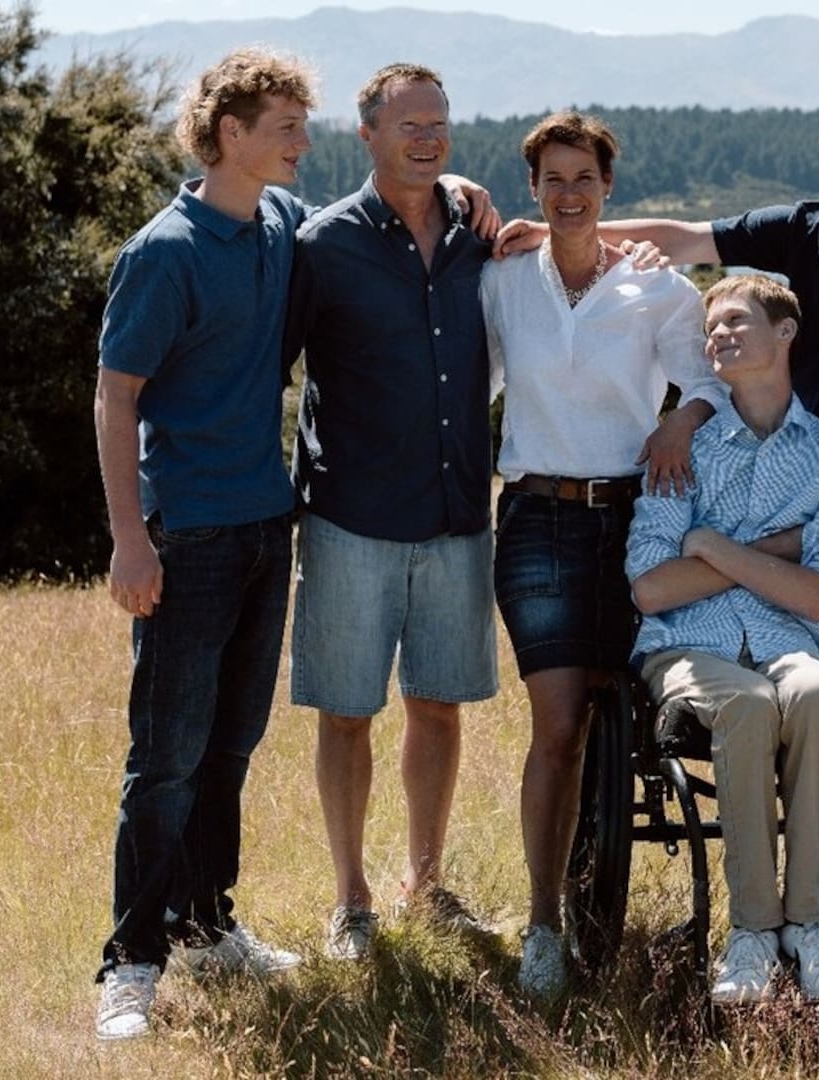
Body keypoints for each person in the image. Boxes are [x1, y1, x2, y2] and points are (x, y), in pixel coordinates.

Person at [510, 53, 819, 935]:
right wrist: (570, 227)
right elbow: (688, 238)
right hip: (799, 490)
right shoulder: (803, 227)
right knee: (815, 668)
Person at [91, 47, 317, 1042]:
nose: (302, 143)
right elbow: (115, 397)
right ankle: (131, 964)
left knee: (231, 746)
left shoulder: (279, 222)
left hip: (268, 524)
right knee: (167, 760)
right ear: (231, 133)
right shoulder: (164, 251)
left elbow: (365, 232)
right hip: (187, 534)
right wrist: (129, 540)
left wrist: (464, 197)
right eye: (285, 128)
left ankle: (206, 923)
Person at [480, 110, 728, 999]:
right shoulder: (503, 280)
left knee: (616, 716)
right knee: (557, 726)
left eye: (584, 177)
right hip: (538, 522)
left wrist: (680, 420)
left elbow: (708, 380)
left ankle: (599, 874)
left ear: (608, 187)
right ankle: (544, 924)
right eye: (552, 179)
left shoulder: (658, 289)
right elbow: (471, 380)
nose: (569, 193)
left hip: (636, 521)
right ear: (533, 188)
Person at [283, 63, 501, 963]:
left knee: (439, 708)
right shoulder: (322, 245)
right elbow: (271, 368)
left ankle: (427, 884)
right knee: (346, 713)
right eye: (407, 124)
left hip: (458, 515)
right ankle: (351, 901)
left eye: (437, 122)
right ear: (366, 133)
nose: (426, 137)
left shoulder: (481, 236)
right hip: (351, 519)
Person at [627, 273, 819, 1004]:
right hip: (686, 648)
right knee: (748, 701)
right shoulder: (684, 451)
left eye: (736, 321)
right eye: (712, 329)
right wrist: (779, 552)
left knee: (817, 692)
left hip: (792, 643)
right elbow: (651, 588)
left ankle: (810, 928)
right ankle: (754, 933)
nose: (720, 336)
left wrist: (710, 545)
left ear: (785, 332)